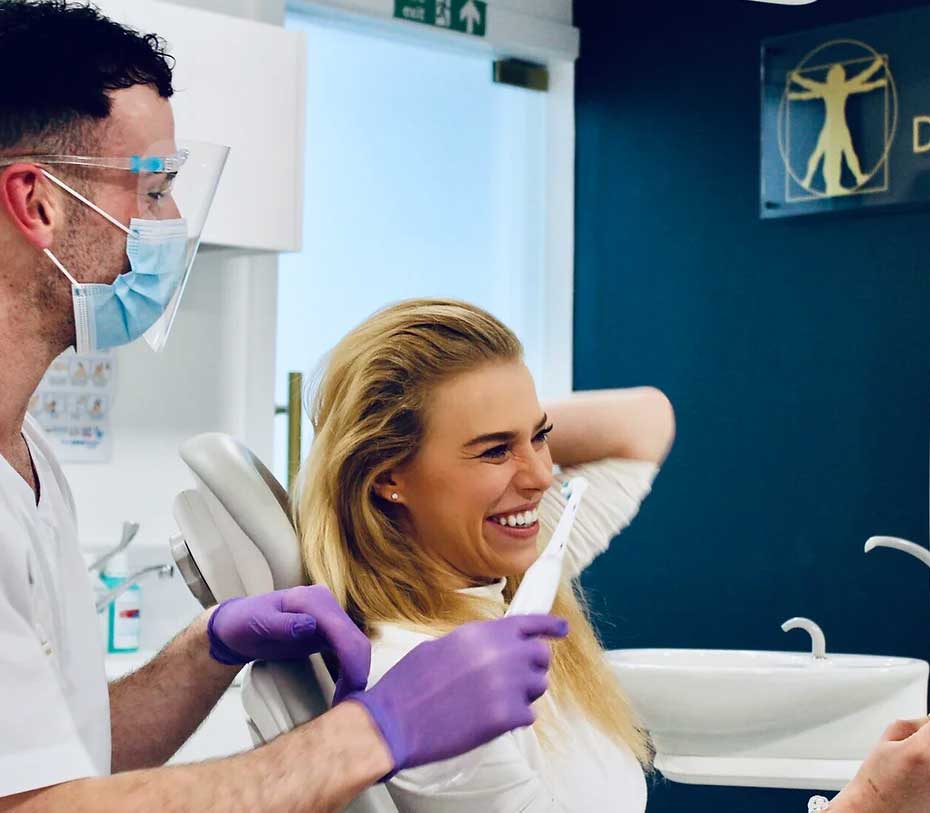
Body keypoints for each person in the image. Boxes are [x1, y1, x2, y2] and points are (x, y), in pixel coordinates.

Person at [0, 3, 565, 810]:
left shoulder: (29, 457)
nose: (172, 222)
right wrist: (377, 729)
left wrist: (210, 645)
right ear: (37, 202)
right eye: (154, 190)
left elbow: (61, 760)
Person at [298, 299, 677, 811]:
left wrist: (492, 416)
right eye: (494, 451)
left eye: (541, 436)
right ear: (388, 476)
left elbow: (645, 422)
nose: (542, 476)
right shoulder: (432, 684)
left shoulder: (510, 581)